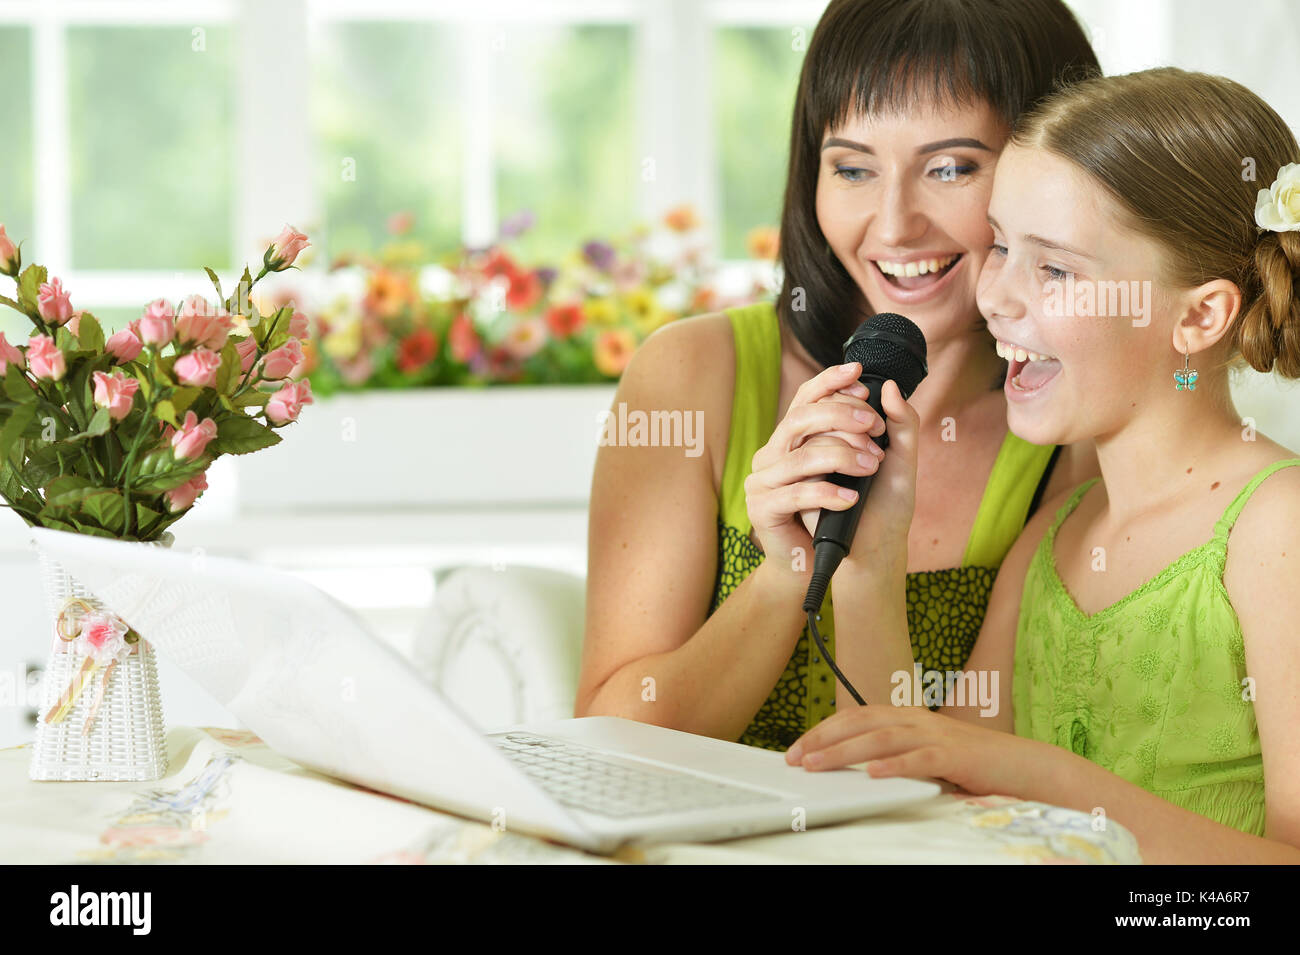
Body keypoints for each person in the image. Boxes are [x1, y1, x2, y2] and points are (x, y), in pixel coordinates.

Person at [786, 68, 1300, 864]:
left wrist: (1035, 773)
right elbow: (923, 784)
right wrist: (872, 552)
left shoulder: (1278, 530)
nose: (994, 295)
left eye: (1054, 269)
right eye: (998, 246)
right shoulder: (1057, 539)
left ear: (1199, 315)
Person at [576, 0, 1100, 749]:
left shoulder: (1074, 428)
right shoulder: (690, 377)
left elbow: (969, 795)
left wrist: (865, 575)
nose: (892, 226)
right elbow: (605, 744)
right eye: (852, 168)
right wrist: (787, 570)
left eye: (950, 167)